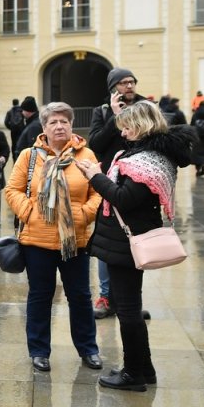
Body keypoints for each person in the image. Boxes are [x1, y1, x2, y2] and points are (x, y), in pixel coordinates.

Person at [76, 102, 195, 390]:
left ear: (142, 125)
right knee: (126, 305)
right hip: (122, 240)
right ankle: (146, 368)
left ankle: (133, 374)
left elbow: (124, 198)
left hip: (126, 243)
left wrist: (95, 176)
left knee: (128, 310)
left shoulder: (147, 159)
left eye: (128, 126)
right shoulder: (148, 153)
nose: (124, 132)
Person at [4, 102, 102, 373]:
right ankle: (38, 351)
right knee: (40, 295)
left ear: (71, 126)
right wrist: (31, 213)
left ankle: (88, 349)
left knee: (80, 296)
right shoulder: (29, 156)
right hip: (38, 240)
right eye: (54, 122)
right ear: (44, 128)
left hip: (75, 240)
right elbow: (12, 190)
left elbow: (99, 192)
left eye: (65, 122)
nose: (60, 126)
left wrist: (82, 215)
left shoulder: (86, 155)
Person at [88, 68, 146, 319]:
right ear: (113, 88)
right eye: (123, 83)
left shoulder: (146, 107)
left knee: (138, 240)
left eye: (132, 81)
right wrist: (115, 117)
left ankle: (130, 301)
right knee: (108, 241)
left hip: (138, 182)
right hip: (110, 182)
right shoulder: (101, 112)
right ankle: (106, 297)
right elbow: (96, 144)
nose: (129, 86)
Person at [13, 96, 42, 160]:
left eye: (23, 110)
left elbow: (33, 150)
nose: (22, 113)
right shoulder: (32, 123)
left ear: (28, 111)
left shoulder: (34, 126)